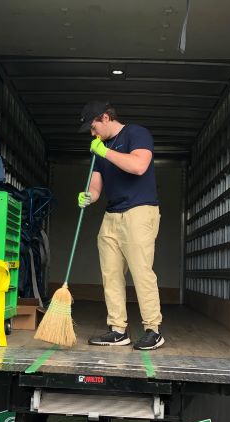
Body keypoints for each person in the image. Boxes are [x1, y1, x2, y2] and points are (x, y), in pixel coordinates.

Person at [77, 100, 164, 350]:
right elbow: (95, 185)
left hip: (139, 211)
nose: (92, 134)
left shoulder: (136, 133)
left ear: (105, 118)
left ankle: (153, 330)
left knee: (141, 271)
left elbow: (138, 166)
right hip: (111, 216)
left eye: (93, 127)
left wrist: (104, 152)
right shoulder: (99, 148)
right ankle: (117, 330)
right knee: (111, 274)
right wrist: (88, 197)